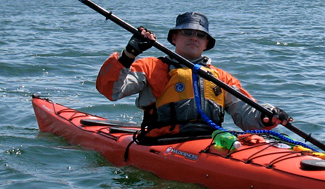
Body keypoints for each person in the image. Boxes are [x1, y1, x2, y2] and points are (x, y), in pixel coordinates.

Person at [96, 11, 290, 140]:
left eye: (200, 35)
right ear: (174, 38)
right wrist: (129, 53)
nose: (194, 37)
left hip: (209, 140)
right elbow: (111, 91)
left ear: (206, 44)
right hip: (162, 141)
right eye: (187, 32)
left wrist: (268, 114)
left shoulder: (220, 77)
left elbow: (247, 114)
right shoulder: (151, 67)